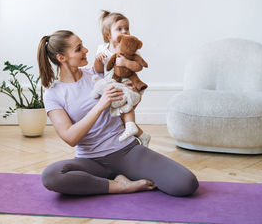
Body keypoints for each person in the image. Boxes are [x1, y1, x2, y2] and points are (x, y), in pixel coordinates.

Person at [37, 30, 199, 196]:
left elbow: (123, 108)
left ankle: (119, 177)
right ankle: (119, 185)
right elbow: (70, 137)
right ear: (61, 58)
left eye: (83, 46)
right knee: (51, 176)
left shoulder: (97, 73)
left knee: (186, 183)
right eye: (79, 49)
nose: (86, 50)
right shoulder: (53, 94)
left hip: (126, 151)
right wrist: (100, 105)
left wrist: (131, 96)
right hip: (90, 161)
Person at [94, 10, 151, 146]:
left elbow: (139, 66)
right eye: (119, 29)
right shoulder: (102, 49)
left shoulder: (131, 50)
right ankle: (142, 135)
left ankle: (133, 129)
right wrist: (98, 60)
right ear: (109, 35)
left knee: (125, 108)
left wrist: (126, 63)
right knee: (118, 117)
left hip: (129, 85)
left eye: (127, 28)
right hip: (111, 84)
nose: (125, 31)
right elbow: (98, 71)